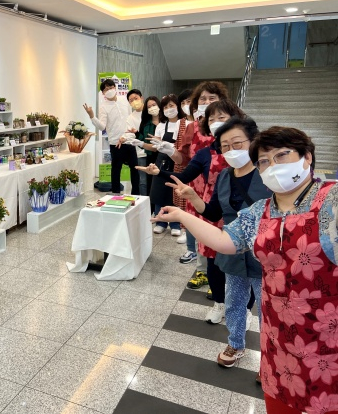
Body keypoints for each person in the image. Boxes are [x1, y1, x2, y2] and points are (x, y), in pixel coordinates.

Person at [153, 127, 338, 414]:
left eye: (281, 155)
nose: (273, 166)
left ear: (307, 157)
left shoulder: (331, 200)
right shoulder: (260, 210)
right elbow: (225, 239)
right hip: (277, 333)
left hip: (326, 334)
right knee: (281, 402)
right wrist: (181, 216)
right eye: (264, 161)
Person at [167, 116, 268, 368]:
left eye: (238, 143)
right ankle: (236, 343)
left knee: (269, 310)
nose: (232, 150)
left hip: (264, 253)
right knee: (234, 302)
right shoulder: (224, 176)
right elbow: (213, 213)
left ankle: (270, 358)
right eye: (225, 146)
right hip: (232, 250)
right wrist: (193, 196)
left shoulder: (268, 174)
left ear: (253, 141)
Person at [137, 99, 245, 323]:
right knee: (213, 260)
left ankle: (242, 308)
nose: (216, 122)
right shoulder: (205, 153)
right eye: (212, 119)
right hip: (212, 208)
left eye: (222, 117)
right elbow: (185, 176)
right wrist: (158, 173)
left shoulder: (250, 150)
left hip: (243, 214)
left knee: (242, 265)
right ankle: (219, 303)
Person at [83, 79, 140, 195]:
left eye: (110, 87)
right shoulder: (103, 107)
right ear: (103, 93)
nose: (109, 90)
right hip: (115, 142)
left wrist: (133, 134)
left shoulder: (125, 100)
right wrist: (92, 116)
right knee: (116, 170)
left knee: (135, 169)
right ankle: (116, 195)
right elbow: (102, 126)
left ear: (115, 87)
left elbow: (131, 118)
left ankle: (136, 195)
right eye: (106, 89)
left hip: (129, 140)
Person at [145, 94, 186, 236]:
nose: (169, 109)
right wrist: (143, 144)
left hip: (177, 161)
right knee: (159, 191)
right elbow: (155, 146)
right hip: (162, 161)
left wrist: (170, 146)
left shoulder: (183, 124)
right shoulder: (161, 125)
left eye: (171, 106)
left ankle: (175, 224)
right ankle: (160, 222)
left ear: (178, 106)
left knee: (174, 192)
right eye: (166, 107)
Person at [126, 89, 148, 196]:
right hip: (141, 153)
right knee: (142, 181)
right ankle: (145, 203)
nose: (134, 101)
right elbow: (129, 135)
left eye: (136, 98)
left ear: (141, 98)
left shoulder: (150, 112)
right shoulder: (130, 118)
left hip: (154, 151)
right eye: (131, 100)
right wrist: (124, 137)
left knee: (155, 179)